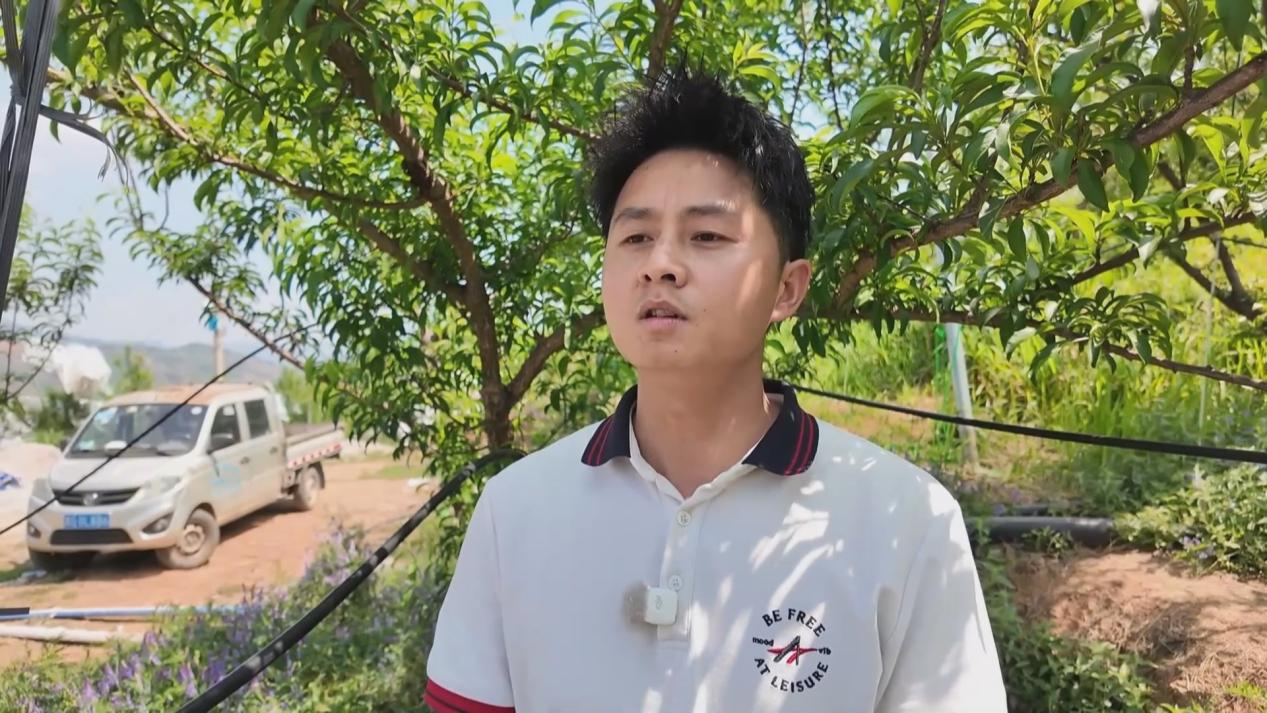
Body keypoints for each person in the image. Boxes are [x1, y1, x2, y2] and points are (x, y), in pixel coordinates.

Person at [424, 68, 1008, 713]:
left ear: (786, 288)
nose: (660, 264)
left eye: (706, 236)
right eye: (636, 237)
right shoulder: (515, 511)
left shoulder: (905, 521)